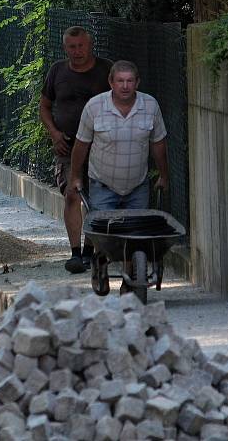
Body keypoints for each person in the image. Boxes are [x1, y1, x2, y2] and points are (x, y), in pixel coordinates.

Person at [39, 26, 112, 274]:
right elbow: (45, 107)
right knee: (72, 194)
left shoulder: (106, 70)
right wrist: (54, 133)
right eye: (72, 46)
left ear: (90, 45)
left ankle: (91, 251)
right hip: (67, 145)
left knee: (95, 199)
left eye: (81, 46)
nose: (77, 51)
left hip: (101, 146)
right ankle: (75, 253)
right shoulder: (57, 71)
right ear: (65, 48)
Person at [68, 59, 169, 211]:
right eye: (120, 80)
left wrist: (163, 175)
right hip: (103, 187)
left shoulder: (150, 105)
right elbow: (81, 145)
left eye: (130, 81)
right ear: (111, 82)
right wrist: (75, 177)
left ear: (137, 82)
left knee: (136, 233)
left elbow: (158, 143)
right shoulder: (94, 106)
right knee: (101, 233)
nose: (125, 86)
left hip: (137, 188)